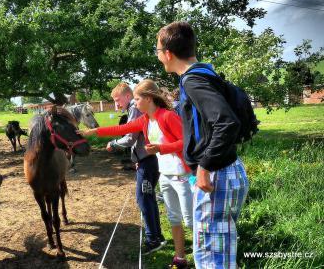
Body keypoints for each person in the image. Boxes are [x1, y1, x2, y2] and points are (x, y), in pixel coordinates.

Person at [155, 21, 249, 268]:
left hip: (215, 177)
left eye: (157, 51)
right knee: (221, 250)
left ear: (168, 53)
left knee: (210, 257)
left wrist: (204, 167)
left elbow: (226, 123)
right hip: (226, 171)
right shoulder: (205, 73)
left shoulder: (193, 81)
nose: (158, 57)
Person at [80, 80, 191, 259]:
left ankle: (209, 255)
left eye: (137, 98)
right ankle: (179, 257)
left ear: (148, 99)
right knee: (174, 218)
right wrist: (93, 132)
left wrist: (160, 149)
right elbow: (122, 128)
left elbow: (185, 142)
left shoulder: (167, 116)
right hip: (165, 174)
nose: (135, 103)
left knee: (190, 221)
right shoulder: (145, 119)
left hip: (182, 174)